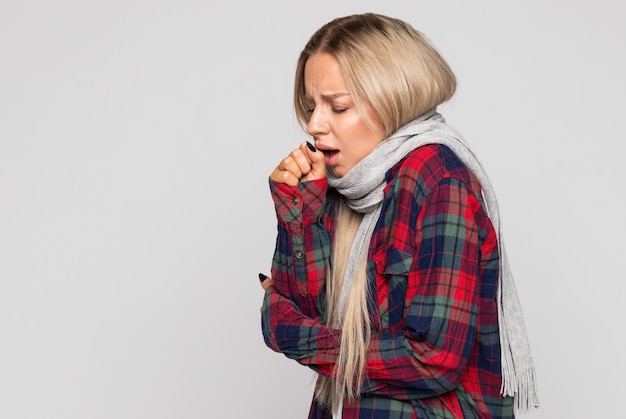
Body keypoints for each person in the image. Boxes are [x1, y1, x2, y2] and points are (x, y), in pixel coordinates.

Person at [259, 12, 538, 419]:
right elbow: (312, 314)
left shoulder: (439, 181)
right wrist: (298, 212)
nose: (314, 124)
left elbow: (433, 359)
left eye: (337, 106)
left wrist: (292, 335)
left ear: (391, 99)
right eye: (310, 106)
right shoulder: (350, 183)